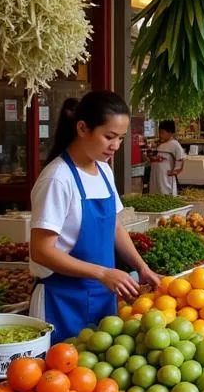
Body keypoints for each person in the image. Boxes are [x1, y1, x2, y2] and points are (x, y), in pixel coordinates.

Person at [30, 92, 160, 343]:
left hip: (102, 299)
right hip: (61, 302)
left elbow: (114, 226)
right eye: (109, 137)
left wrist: (141, 267)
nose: (116, 146)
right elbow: (41, 251)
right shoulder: (58, 178)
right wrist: (102, 273)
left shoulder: (103, 170)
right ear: (82, 128)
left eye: (120, 138)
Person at [147, 120, 185, 196]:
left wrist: (176, 171)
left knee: (165, 193)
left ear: (170, 132)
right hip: (156, 175)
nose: (160, 135)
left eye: (162, 133)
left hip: (166, 177)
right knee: (155, 193)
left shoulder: (175, 144)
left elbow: (181, 158)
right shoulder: (160, 144)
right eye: (159, 132)